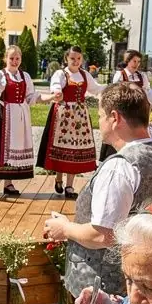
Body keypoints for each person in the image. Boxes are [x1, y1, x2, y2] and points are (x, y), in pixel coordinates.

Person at [42, 83, 152, 292]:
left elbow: (103, 235)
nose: (98, 123)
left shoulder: (119, 166)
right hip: (147, 278)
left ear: (115, 118)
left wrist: (65, 229)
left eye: (100, 116)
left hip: (104, 286)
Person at [36, 46, 103, 197]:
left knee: (76, 149)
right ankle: (59, 178)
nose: (76, 61)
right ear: (66, 59)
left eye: (78, 58)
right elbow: (55, 86)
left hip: (80, 117)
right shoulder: (61, 73)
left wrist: (112, 87)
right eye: (72, 58)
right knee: (62, 147)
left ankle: (70, 186)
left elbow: (96, 89)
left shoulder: (85, 75)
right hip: (64, 115)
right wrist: (57, 91)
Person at [0, 43, 38, 196]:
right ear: (6, 59)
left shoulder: (25, 76)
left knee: (14, 148)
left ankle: (8, 183)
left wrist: (49, 97)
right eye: (12, 58)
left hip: (19, 118)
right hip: (2, 114)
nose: (15, 61)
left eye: (17, 58)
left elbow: (30, 96)